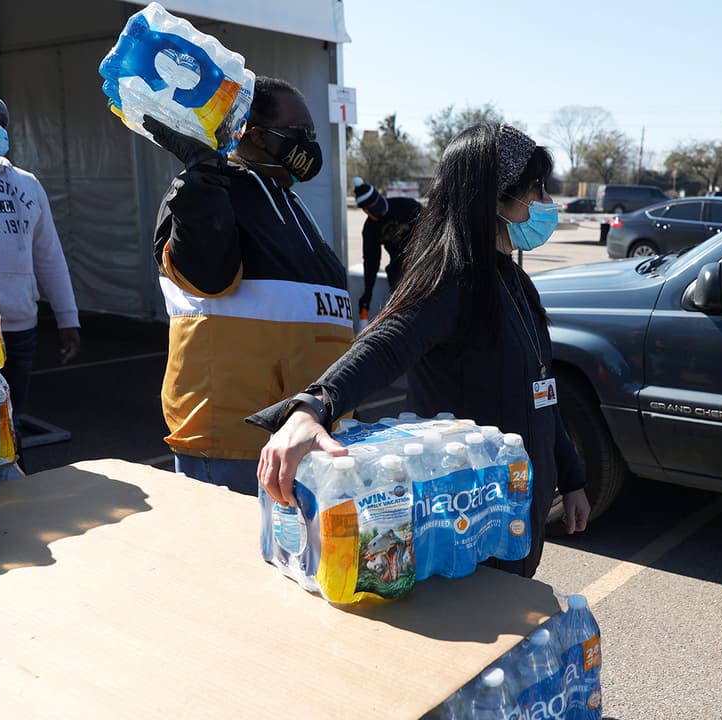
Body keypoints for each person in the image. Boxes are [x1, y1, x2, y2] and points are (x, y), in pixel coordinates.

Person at [251, 123, 591, 578]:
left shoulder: (514, 282)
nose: (547, 205)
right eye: (537, 190)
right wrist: (311, 407)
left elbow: (542, 392)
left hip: (517, 513)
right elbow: (385, 344)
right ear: (495, 197)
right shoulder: (453, 280)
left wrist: (572, 480)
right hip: (466, 520)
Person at [147, 76, 351, 495]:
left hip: (301, 438)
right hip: (237, 448)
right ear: (255, 135)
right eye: (301, 134)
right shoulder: (208, 193)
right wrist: (201, 179)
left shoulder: (288, 201)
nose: (311, 144)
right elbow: (206, 276)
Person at [0, 85, 81, 416]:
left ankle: (15, 465)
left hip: (20, 323)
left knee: (10, 417)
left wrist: (68, 317)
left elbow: (49, 255)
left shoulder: (27, 183)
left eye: (1, 122)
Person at [352, 177, 422, 318]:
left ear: (380, 196)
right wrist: (367, 294)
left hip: (423, 256)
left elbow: (434, 226)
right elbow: (371, 262)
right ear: (365, 211)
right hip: (399, 267)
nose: (378, 210)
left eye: (378, 203)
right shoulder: (370, 230)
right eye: (372, 209)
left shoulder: (406, 206)